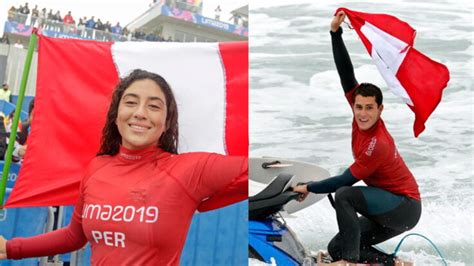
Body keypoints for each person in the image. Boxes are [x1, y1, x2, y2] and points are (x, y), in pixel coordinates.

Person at [0, 69, 247, 264]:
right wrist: (11, 248)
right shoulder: (97, 167)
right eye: (130, 102)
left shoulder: (190, 169)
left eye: (153, 106)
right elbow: (74, 236)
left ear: (167, 121)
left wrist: (213, 200)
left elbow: (258, 169)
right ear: (116, 114)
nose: (140, 113)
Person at [293, 11, 421, 265]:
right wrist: (335, 32)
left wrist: (308, 187)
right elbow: (345, 72)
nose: (362, 114)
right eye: (359, 107)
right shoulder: (358, 112)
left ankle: (349, 262)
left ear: (380, 110)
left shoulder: (378, 144)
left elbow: (346, 180)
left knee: (344, 194)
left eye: (369, 108)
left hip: (403, 207)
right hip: (384, 203)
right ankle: (395, 264)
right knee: (336, 246)